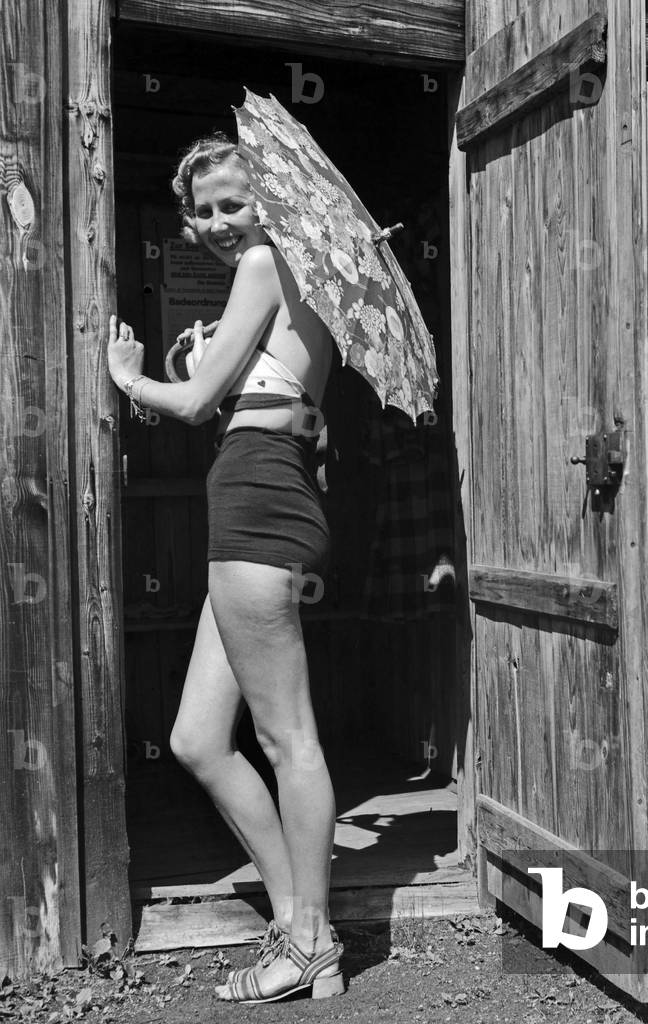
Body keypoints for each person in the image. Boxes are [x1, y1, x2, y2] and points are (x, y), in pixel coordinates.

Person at [106, 132, 344, 1004]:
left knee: (288, 738)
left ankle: (312, 939)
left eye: (232, 204)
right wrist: (209, 360)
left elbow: (201, 402)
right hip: (252, 496)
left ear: (268, 201)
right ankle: (297, 923)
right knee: (199, 739)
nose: (214, 223)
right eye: (200, 210)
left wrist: (131, 378)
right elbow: (245, 393)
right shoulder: (287, 278)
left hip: (258, 504)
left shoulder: (262, 264)